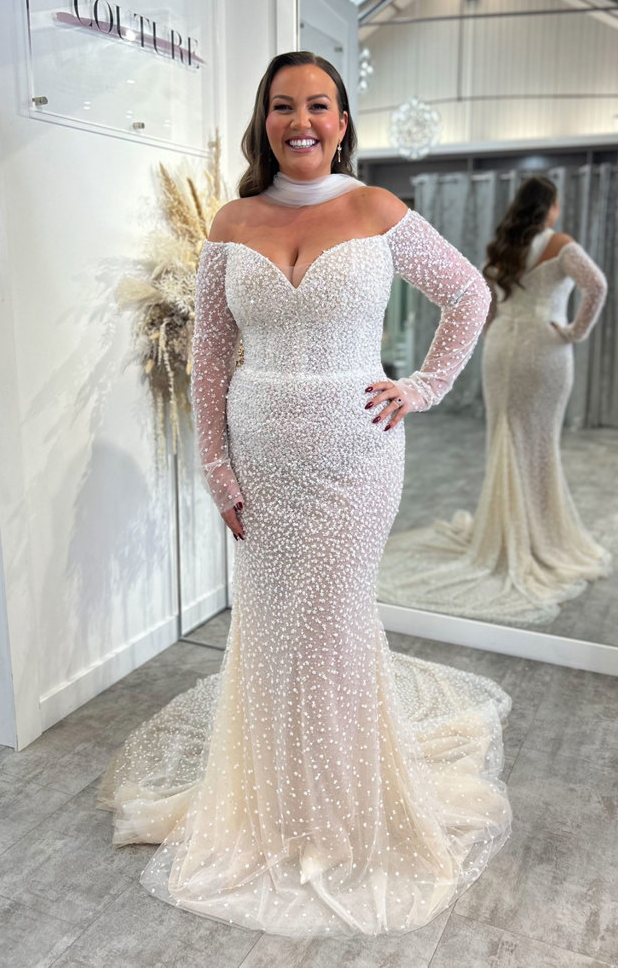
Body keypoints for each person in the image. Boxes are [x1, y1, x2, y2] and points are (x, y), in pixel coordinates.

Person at [97, 51, 512, 937]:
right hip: (264, 460)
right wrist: (216, 465)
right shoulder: (231, 222)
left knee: (332, 622)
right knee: (274, 625)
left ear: (342, 120)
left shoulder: (376, 209)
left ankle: (338, 807)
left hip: (356, 460)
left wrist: (426, 387)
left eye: (319, 106)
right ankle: (272, 800)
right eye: (285, 107)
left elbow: (468, 295)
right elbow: (210, 359)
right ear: (265, 121)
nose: (303, 123)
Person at [377, 176, 611, 625]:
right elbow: (596, 286)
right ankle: (536, 533)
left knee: (504, 434)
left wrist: (494, 337)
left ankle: (509, 531)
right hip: (546, 348)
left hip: (502, 347)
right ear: (551, 208)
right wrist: (575, 333)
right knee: (540, 443)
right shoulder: (561, 244)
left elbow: (485, 305)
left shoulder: (500, 247)